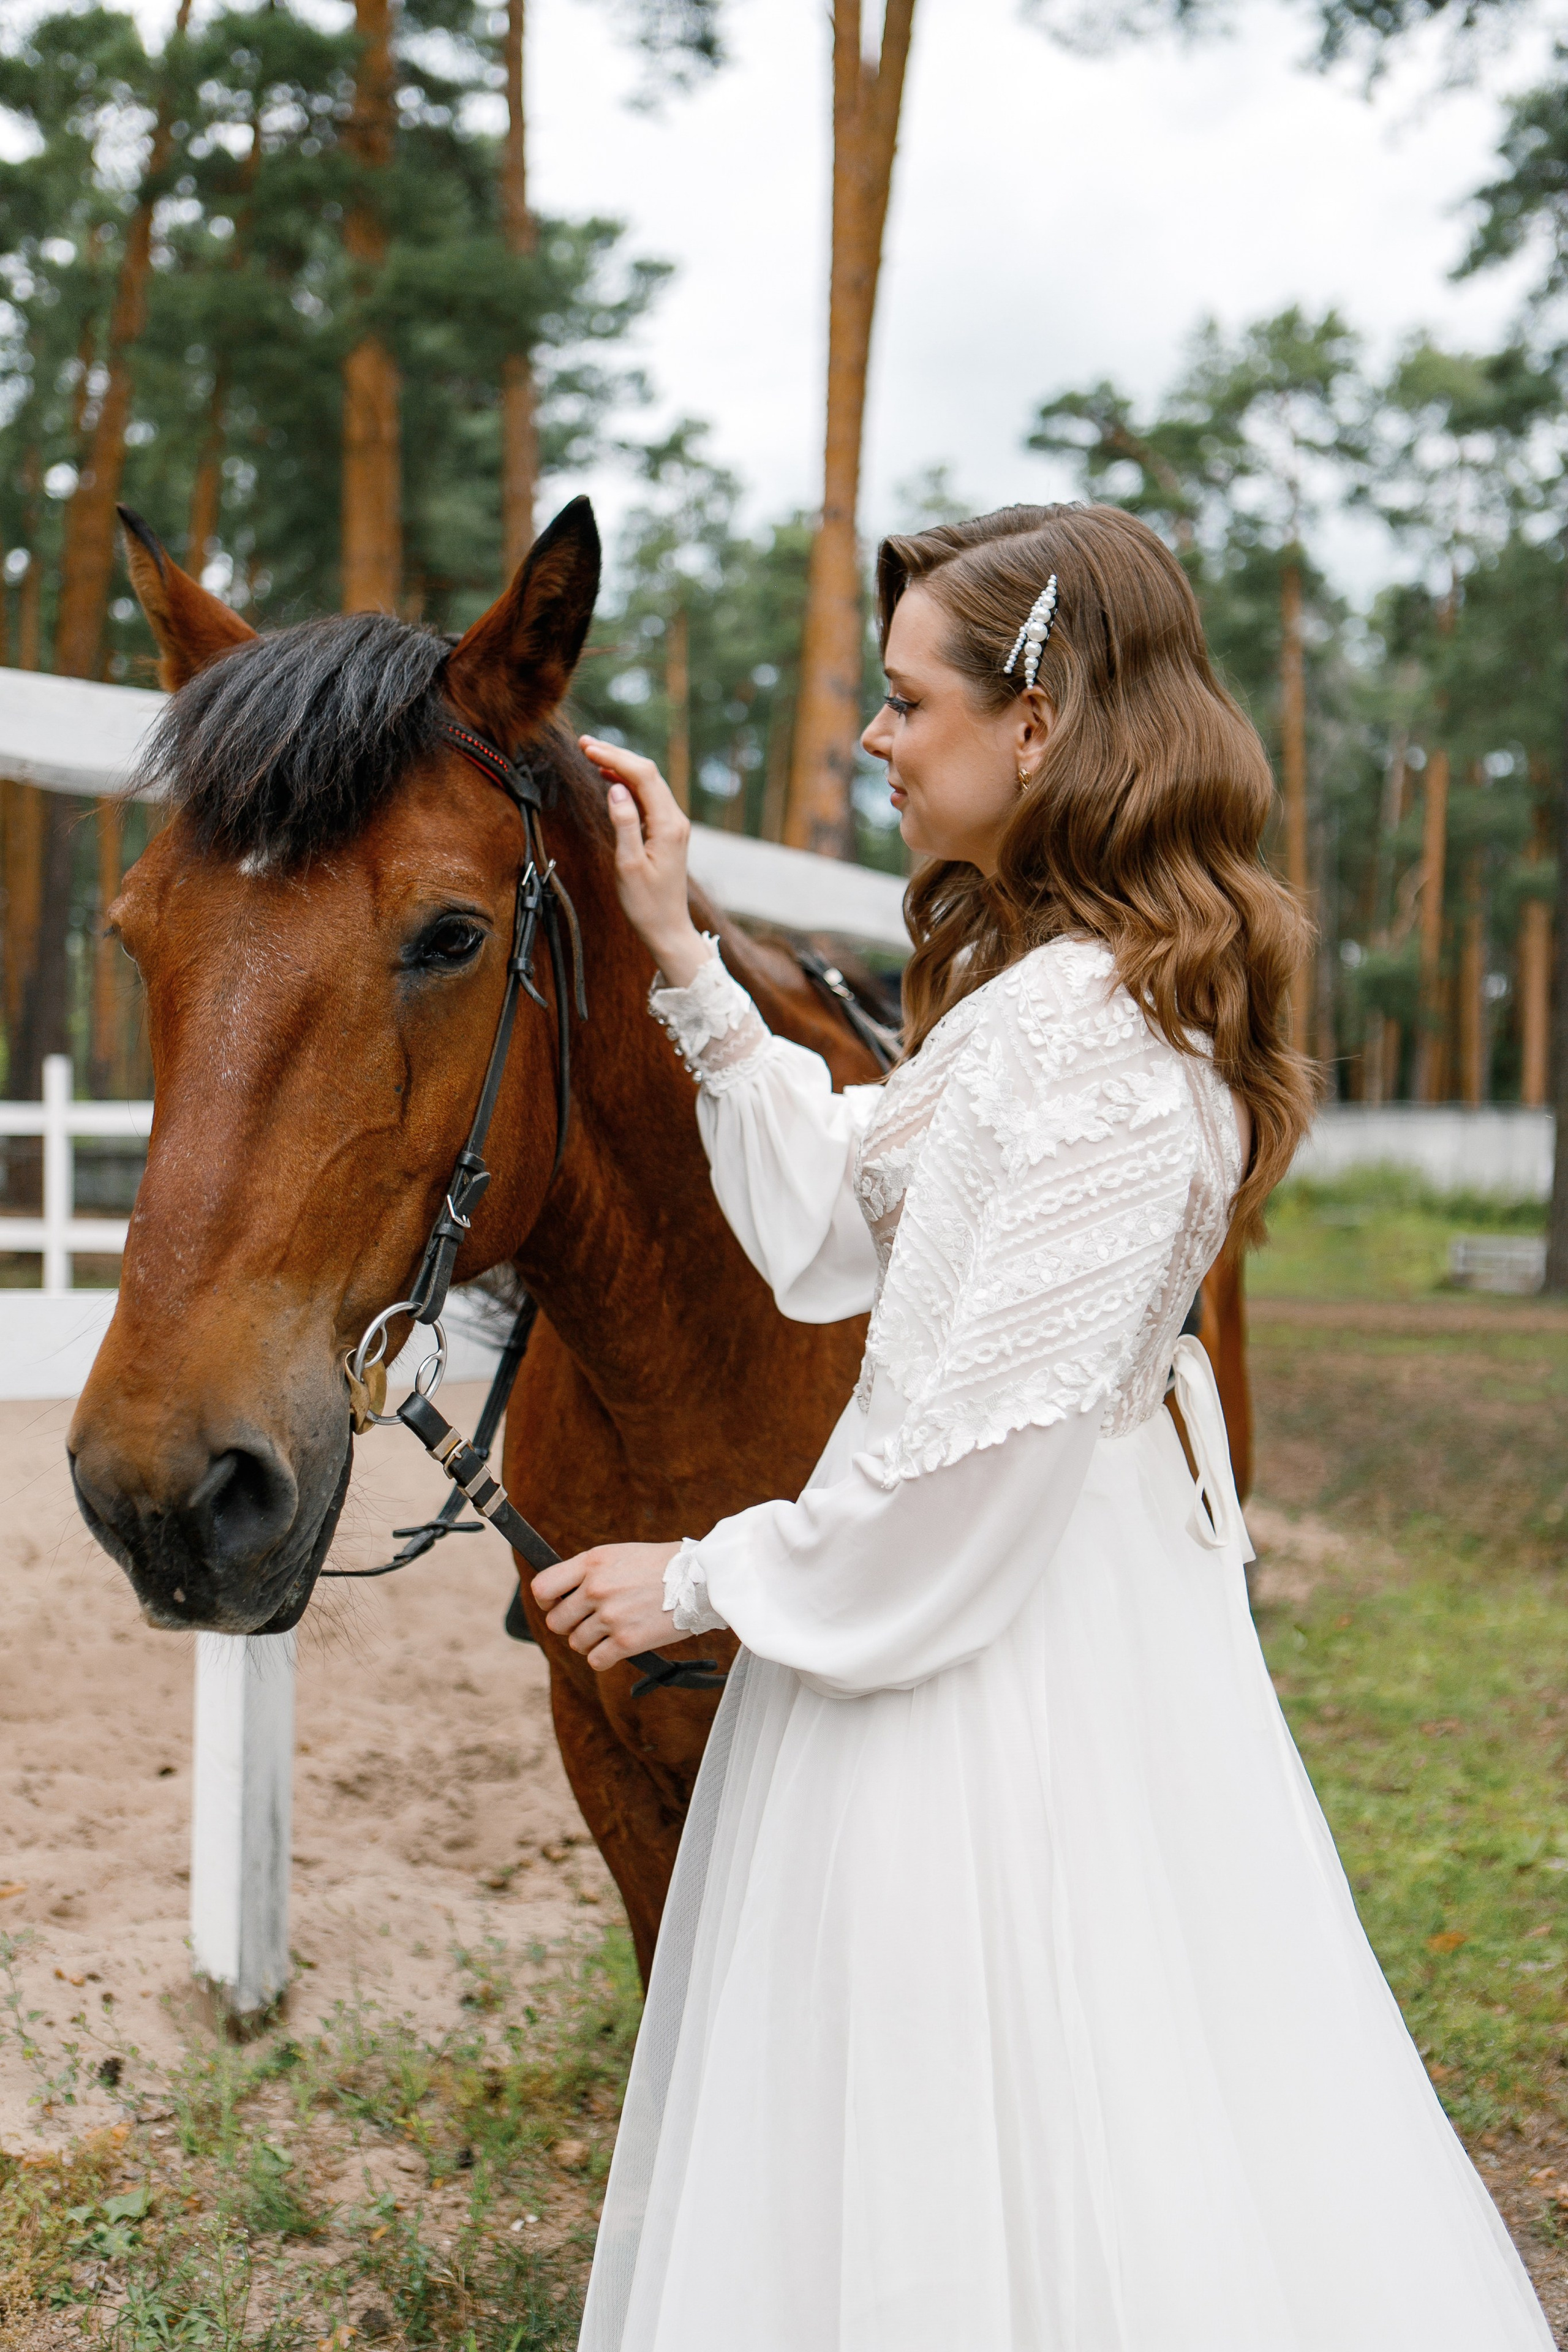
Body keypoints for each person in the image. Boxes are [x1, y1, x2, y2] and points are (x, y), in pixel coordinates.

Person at [535, 503, 1552, 2351]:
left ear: (1044, 725)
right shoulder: (1045, 1000)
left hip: (1003, 1679)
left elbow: (975, 1481)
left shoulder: (1102, 1053)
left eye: (907, 700)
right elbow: (838, 1227)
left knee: (998, 2108)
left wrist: (697, 1575)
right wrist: (683, 953)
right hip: (982, 1629)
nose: (872, 736)